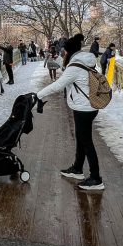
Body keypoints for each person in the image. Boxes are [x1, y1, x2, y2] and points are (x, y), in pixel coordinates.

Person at [37, 34, 104, 191]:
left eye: (64, 52)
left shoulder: (75, 67)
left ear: (69, 52)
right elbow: (69, 70)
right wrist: (59, 60)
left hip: (83, 108)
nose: (63, 54)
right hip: (87, 107)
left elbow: (59, 85)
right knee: (81, 139)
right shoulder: (83, 61)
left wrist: (38, 95)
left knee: (86, 142)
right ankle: (77, 169)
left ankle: (96, 178)